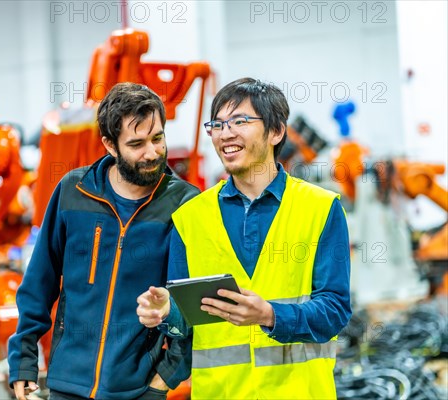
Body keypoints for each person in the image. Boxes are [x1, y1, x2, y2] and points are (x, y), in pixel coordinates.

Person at [137, 77, 352, 399]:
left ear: (276, 131)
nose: (226, 134)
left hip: (299, 392)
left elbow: (334, 311)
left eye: (240, 121)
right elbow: (189, 320)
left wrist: (270, 315)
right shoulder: (189, 218)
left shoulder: (321, 208)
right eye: (218, 124)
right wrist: (167, 313)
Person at [8, 82, 199, 400]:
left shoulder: (185, 204)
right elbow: (38, 284)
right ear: (110, 145)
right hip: (67, 385)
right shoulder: (74, 191)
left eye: (157, 138)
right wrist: (24, 362)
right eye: (136, 144)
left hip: (137, 390)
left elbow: (191, 306)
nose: (151, 153)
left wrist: (164, 381)